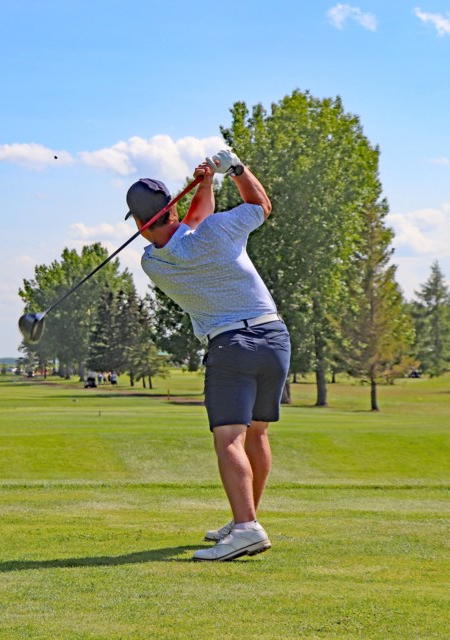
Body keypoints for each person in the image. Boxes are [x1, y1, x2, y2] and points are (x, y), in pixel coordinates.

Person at [125, 150, 290, 561]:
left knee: (227, 438)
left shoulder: (153, 262)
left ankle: (248, 528)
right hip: (274, 338)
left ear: (142, 227)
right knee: (257, 433)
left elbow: (189, 227)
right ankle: (244, 520)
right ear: (172, 207)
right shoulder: (218, 231)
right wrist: (233, 169)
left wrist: (204, 185)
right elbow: (260, 206)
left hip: (231, 346)